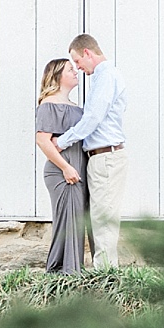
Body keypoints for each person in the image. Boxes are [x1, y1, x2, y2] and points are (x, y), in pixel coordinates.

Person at [54, 33, 128, 268]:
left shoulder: (105, 75)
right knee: (99, 218)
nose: (78, 68)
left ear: (87, 52)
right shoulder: (103, 77)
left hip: (106, 157)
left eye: (77, 62)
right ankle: (105, 271)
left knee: (103, 219)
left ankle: (106, 276)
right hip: (102, 156)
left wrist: (63, 141)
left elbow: (93, 117)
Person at [34, 57, 89, 273]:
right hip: (62, 172)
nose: (76, 72)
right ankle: (61, 270)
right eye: (70, 69)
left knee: (76, 219)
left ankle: (72, 269)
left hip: (78, 168)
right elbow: (42, 140)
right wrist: (65, 167)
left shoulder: (76, 107)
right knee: (67, 220)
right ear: (57, 76)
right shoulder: (49, 105)